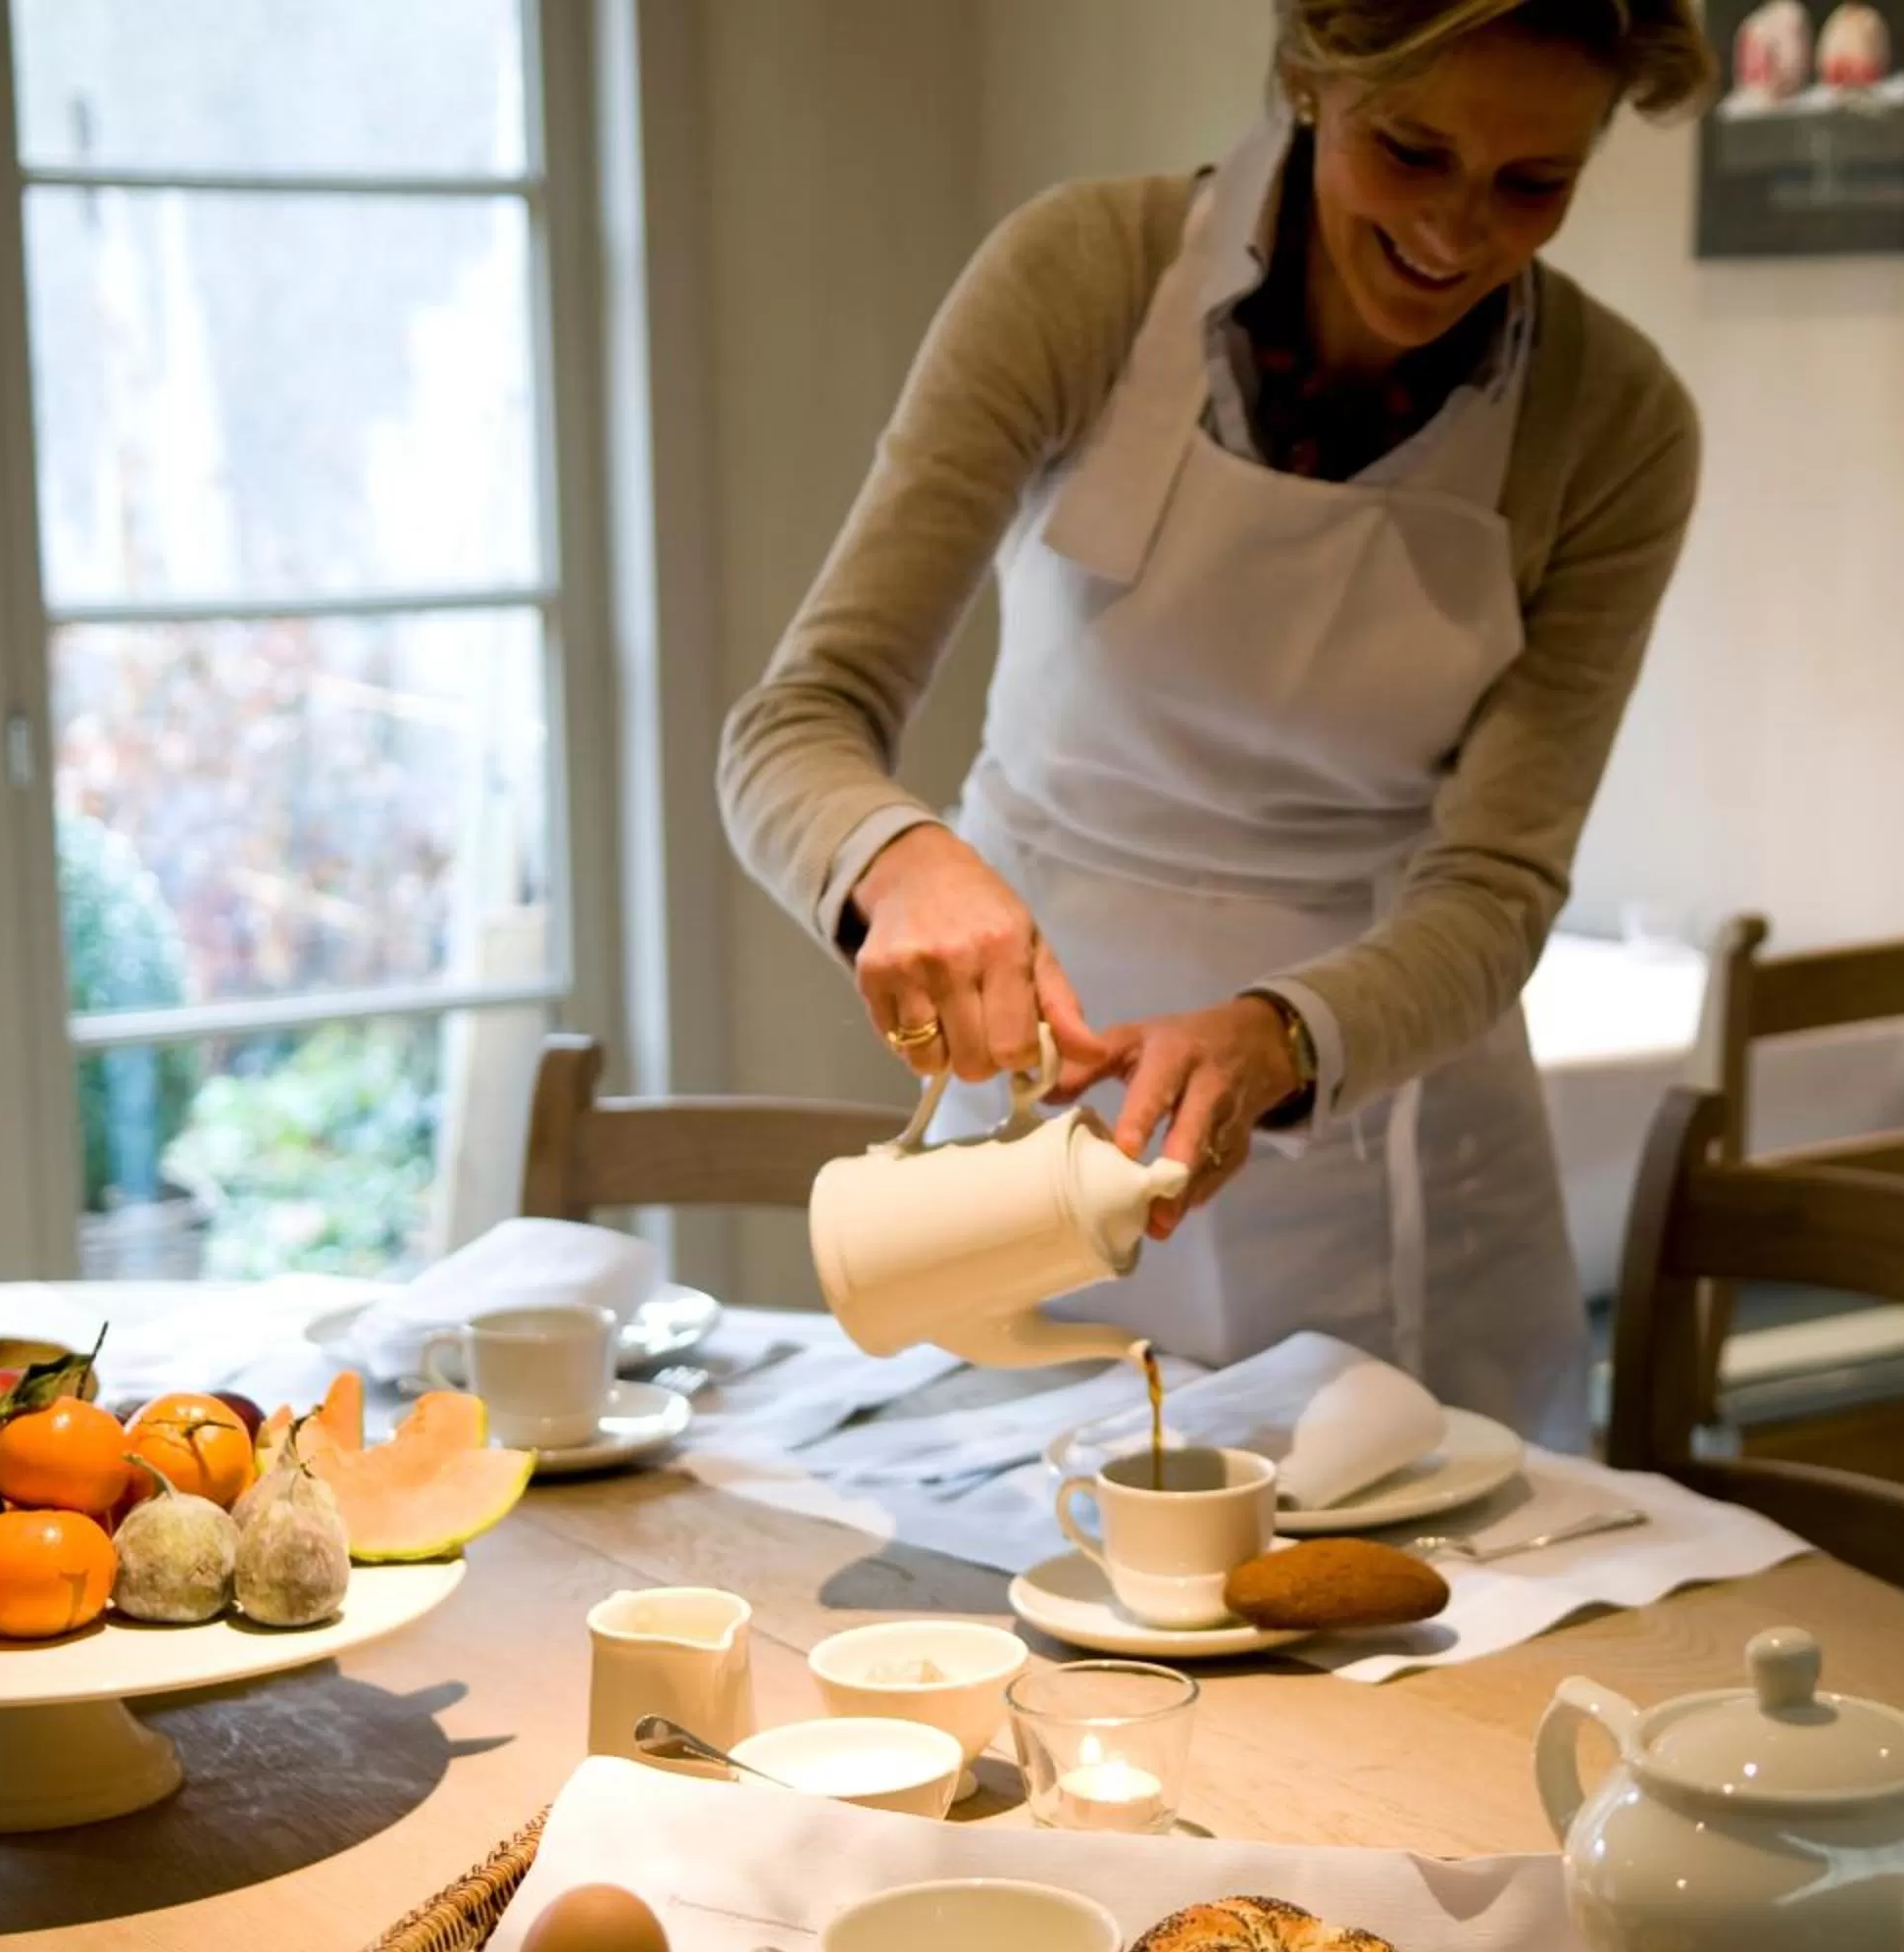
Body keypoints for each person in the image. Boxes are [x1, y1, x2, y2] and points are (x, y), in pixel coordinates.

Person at [720, 0, 1708, 1446]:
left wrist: (1282, 1037)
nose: (1455, 233)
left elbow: (1496, 893)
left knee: (1411, 1603)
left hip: (1389, 1118)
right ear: (1310, 71)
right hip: (1050, 1098)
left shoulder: (1614, 423)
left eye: (1530, 185)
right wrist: (898, 859)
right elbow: (796, 721)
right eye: (1413, 149)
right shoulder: (1086, 278)